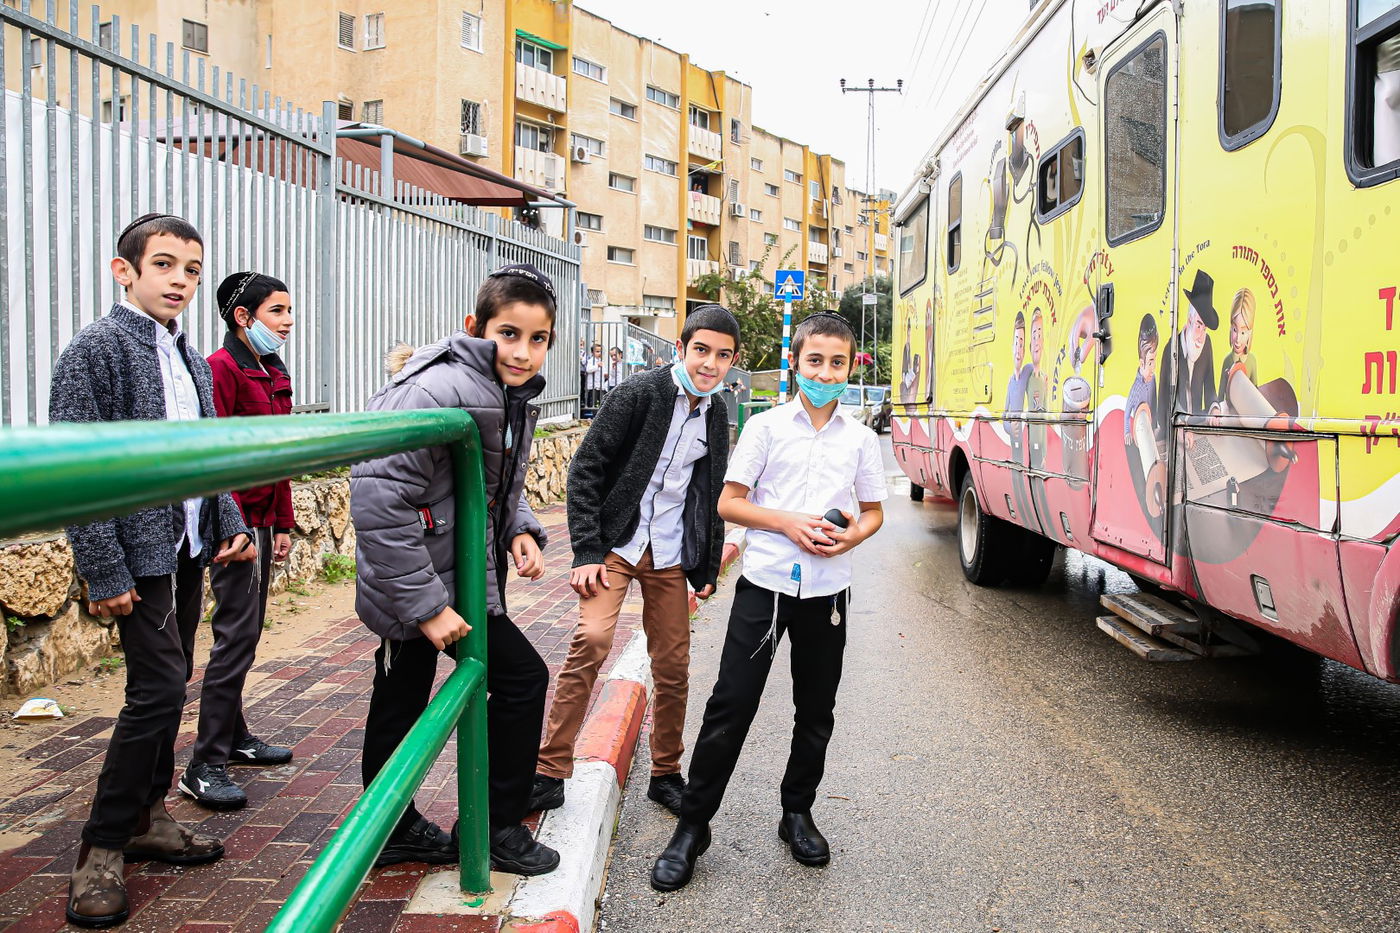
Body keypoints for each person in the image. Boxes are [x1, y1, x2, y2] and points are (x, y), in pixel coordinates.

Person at [49, 213, 255, 928]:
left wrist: (227, 520)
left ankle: (149, 815)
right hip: (137, 558)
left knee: (169, 687)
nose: (180, 281)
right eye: (164, 264)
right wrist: (102, 568)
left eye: (192, 270)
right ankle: (102, 845)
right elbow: (76, 470)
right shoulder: (96, 348)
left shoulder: (188, 354)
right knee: (158, 691)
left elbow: (203, 452)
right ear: (124, 270)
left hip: (187, 550)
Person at [650, 312, 886, 892]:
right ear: (795, 363)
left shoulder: (858, 438)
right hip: (765, 585)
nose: (825, 373)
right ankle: (692, 827)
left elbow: (875, 511)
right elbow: (732, 503)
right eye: (814, 361)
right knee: (730, 705)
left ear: (850, 366)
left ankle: (797, 813)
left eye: (837, 363)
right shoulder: (766, 428)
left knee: (816, 710)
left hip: (827, 593)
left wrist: (849, 535)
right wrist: (787, 523)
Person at [352, 264, 559, 876]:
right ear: (475, 327)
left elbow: (493, 481)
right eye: (509, 333)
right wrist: (428, 607)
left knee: (402, 698)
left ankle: (392, 826)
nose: (522, 351)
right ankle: (493, 824)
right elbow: (378, 500)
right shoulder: (438, 390)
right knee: (518, 679)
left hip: (451, 572)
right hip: (421, 580)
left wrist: (519, 526)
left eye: (538, 337)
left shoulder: (498, 388)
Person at [532, 305, 739, 816]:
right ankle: (550, 769)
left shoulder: (716, 413)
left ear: (732, 362)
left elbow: (708, 491)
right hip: (617, 546)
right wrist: (584, 550)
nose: (710, 364)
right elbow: (585, 469)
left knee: (674, 665)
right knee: (593, 639)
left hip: (668, 554)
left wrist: (706, 568)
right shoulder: (640, 393)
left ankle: (666, 772)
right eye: (701, 351)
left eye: (723, 355)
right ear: (681, 348)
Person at [178, 273, 298, 812]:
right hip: (235, 525)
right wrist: (233, 527)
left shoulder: (272, 369)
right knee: (236, 636)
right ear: (243, 317)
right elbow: (212, 454)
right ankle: (204, 764)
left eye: (289, 310)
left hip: (263, 519)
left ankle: (233, 735)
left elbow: (281, 457)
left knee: (245, 632)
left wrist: (285, 522)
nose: (288, 321)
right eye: (277, 311)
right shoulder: (219, 370)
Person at [1217, 287, 1258, 402]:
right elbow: (1220, 395)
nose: (1238, 339)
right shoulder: (1227, 360)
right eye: (1235, 330)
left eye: (1243, 332)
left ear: (1250, 333)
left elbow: (1256, 394)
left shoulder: (1252, 361)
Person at [584, 342, 605, 412]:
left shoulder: (600, 361)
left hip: (600, 385)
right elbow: (588, 369)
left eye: (601, 351)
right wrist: (597, 366)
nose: (600, 353)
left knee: (600, 401)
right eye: (597, 351)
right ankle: (593, 414)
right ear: (592, 353)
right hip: (593, 386)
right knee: (593, 401)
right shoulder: (591, 361)